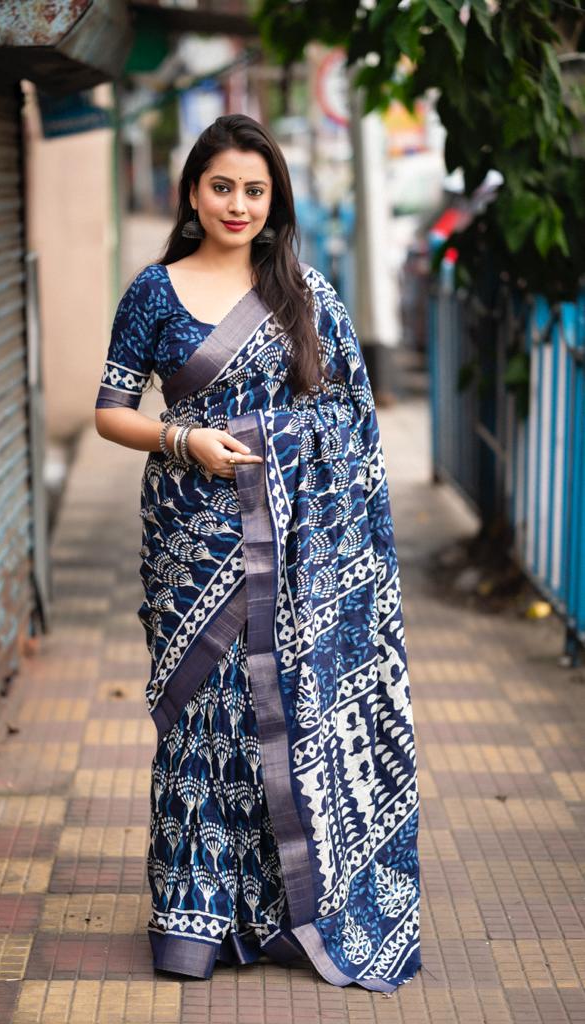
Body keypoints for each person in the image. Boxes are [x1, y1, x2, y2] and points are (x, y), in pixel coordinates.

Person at [94, 113, 422, 993]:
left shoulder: (305, 295)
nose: (237, 205)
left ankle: (283, 912)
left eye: (254, 189)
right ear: (192, 193)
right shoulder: (152, 293)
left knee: (275, 713)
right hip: (187, 544)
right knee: (200, 713)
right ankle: (192, 920)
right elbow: (109, 410)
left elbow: (349, 424)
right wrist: (183, 442)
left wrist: (264, 444)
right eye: (221, 187)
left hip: (298, 551)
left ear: (273, 200)